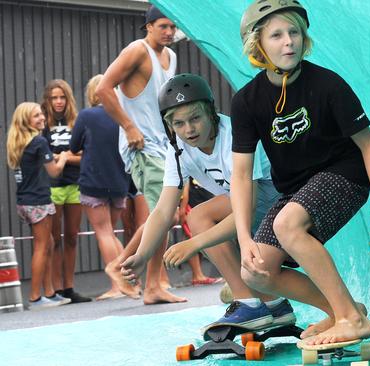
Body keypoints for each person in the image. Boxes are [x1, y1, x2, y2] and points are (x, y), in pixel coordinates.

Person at [231, 1, 370, 345]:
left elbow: (369, 145)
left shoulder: (328, 84)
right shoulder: (246, 101)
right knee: (256, 271)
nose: (289, 41)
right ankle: (343, 310)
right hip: (296, 191)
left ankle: (352, 320)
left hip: (345, 176)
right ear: (257, 45)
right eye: (277, 35)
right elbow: (242, 175)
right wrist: (244, 239)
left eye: (295, 32)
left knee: (286, 223)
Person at [121, 73, 295, 328]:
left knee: (200, 217)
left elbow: (247, 207)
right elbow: (162, 210)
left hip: (279, 199)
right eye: (178, 123)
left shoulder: (235, 135)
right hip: (247, 203)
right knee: (200, 215)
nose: (189, 129)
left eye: (195, 119)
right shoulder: (178, 148)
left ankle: (248, 303)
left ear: (211, 113)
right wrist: (142, 255)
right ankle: (273, 305)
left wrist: (193, 244)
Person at [96, 5, 183, 304]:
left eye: (173, 27)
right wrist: (129, 127)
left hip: (165, 145)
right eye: (163, 26)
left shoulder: (171, 57)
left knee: (167, 215)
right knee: (165, 213)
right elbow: (104, 89)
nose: (169, 32)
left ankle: (153, 286)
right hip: (141, 147)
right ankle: (120, 264)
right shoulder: (137, 50)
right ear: (148, 26)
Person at [69, 74, 140, 300]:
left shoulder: (87, 115)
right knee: (110, 231)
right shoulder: (124, 117)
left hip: (93, 180)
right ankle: (131, 281)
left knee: (103, 232)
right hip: (119, 181)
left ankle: (117, 285)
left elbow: (73, 146)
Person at [6, 102, 71, 309]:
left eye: (41, 114)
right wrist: (64, 157)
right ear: (26, 121)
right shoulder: (39, 142)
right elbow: (53, 171)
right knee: (42, 247)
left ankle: (50, 293)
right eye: (36, 116)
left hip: (24, 201)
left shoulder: (18, 142)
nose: (42, 117)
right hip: (38, 201)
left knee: (49, 243)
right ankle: (35, 297)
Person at [41, 79, 90, 303]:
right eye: (54, 98)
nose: (59, 102)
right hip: (51, 187)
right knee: (53, 239)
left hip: (74, 184)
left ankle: (69, 288)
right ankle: (55, 289)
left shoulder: (76, 122)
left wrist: (65, 157)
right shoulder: (42, 124)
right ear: (48, 100)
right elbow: (42, 157)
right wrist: (67, 157)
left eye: (62, 97)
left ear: (68, 99)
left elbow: (85, 157)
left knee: (71, 237)